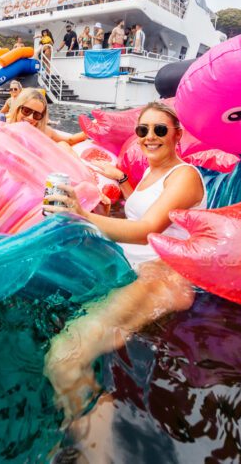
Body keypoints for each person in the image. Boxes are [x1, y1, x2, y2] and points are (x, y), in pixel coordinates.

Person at [44, 101, 206, 415]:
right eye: (143, 130)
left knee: (63, 357)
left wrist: (81, 215)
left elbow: (148, 229)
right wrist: (119, 182)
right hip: (133, 268)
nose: (150, 136)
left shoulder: (184, 175)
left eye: (160, 130)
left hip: (160, 275)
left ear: (177, 135)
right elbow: (142, 209)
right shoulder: (151, 172)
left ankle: (95, 449)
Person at [0, 88, 86, 150]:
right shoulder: (3, 127)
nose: (30, 118)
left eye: (37, 115)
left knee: (63, 146)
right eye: (26, 111)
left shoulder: (43, 131)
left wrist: (91, 129)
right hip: (7, 180)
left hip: (32, 181)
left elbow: (69, 141)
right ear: (17, 108)